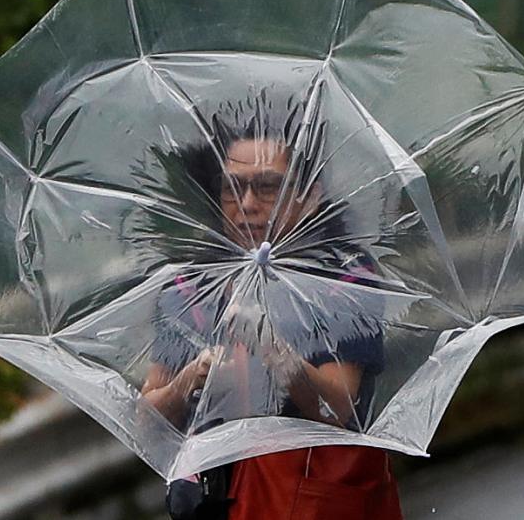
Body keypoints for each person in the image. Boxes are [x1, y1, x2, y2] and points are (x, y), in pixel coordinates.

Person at [140, 101, 404, 520]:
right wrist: (191, 380)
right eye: (232, 187)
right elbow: (148, 418)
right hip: (221, 499)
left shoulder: (343, 278)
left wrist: (273, 351)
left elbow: (338, 409)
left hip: (319, 499)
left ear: (309, 195)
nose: (246, 203)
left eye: (266, 187)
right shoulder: (191, 288)